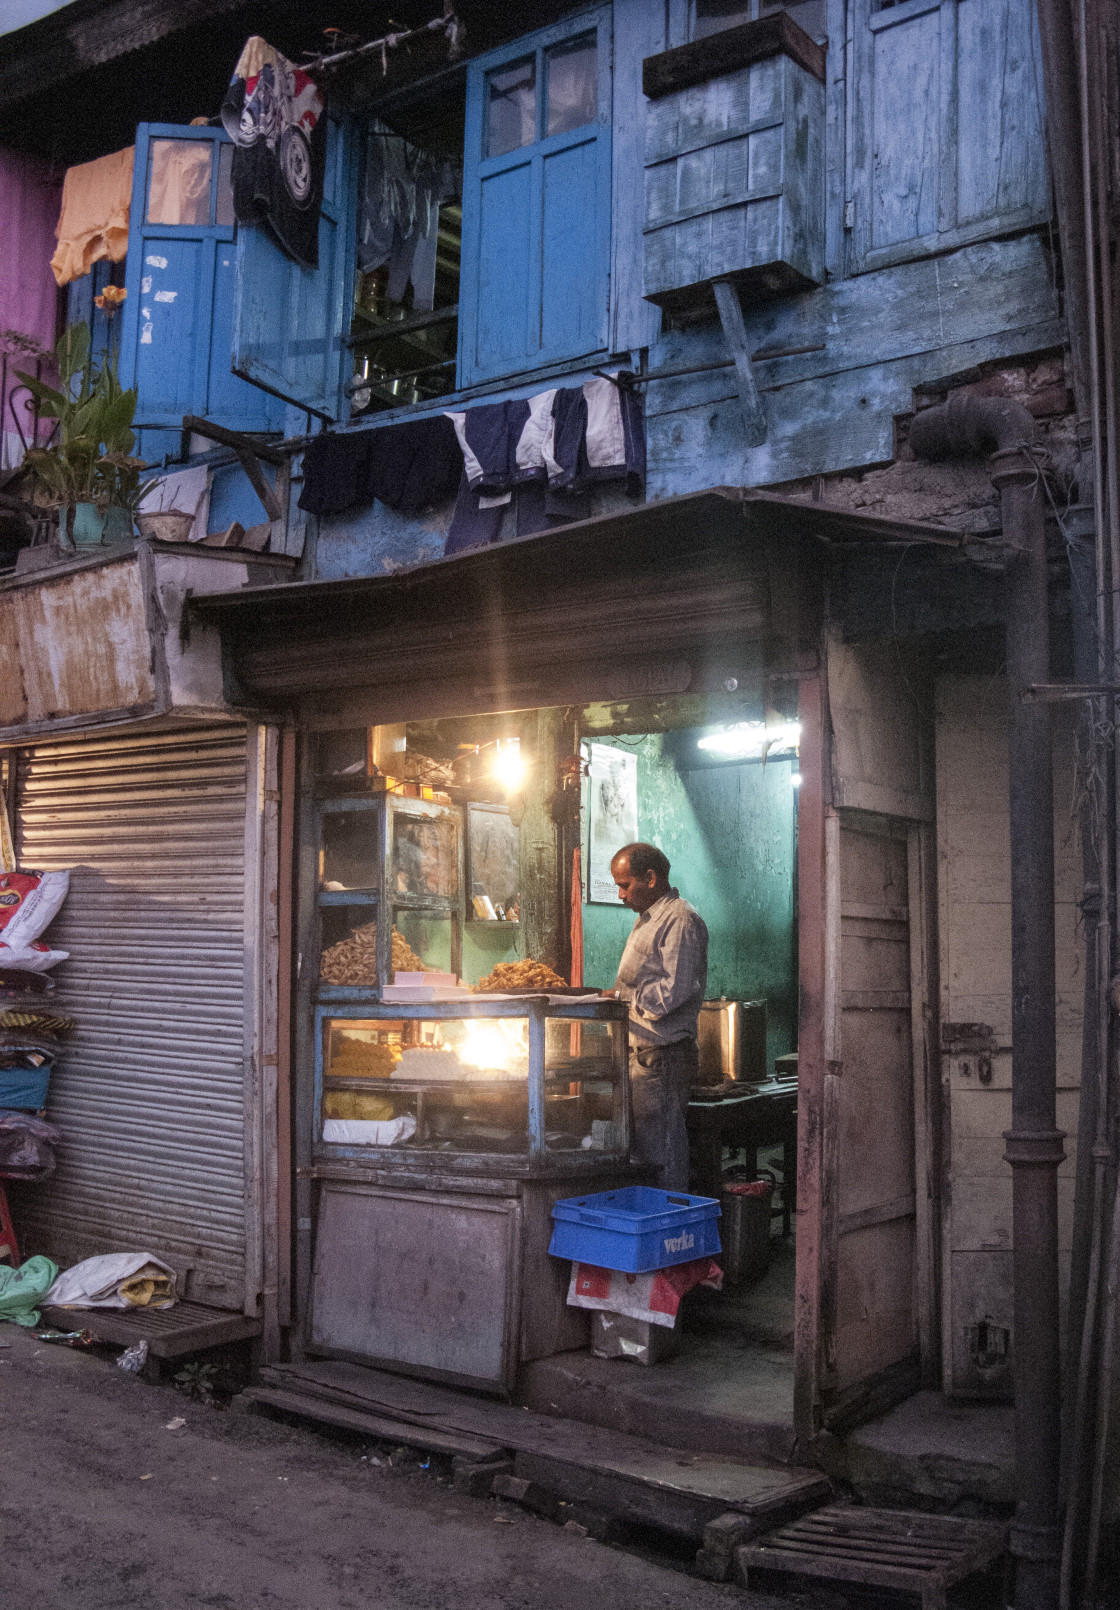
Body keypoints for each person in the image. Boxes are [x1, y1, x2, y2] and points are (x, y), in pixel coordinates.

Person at [610, 842, 708, 1193]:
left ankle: (670, 1233)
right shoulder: (648, 919)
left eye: (625, 885)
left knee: (663, 1154)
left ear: (650, 878)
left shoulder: (679, 919)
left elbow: (670, 993)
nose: (621, 895)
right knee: (647, 1156)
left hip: (662, 1057)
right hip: (642, 1057)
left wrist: (621, 999)